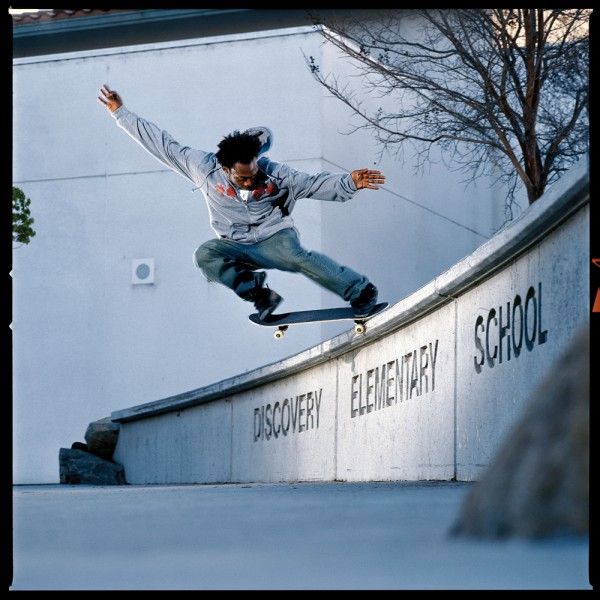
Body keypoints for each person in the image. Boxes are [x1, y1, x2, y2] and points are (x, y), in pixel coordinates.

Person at [98, 84, 385, 319]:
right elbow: (161, 144)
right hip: (236, 244)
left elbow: (312, 183)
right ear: (225, 170)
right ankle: (260, 294)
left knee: (297, 257)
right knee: (205, 254)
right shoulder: (203, 167)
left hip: (274, 237)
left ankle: (360, 291)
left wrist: (349, 182)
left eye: (254, 175)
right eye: (243, 179)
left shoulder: (275, 174)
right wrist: (120, 113)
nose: (251, 182)